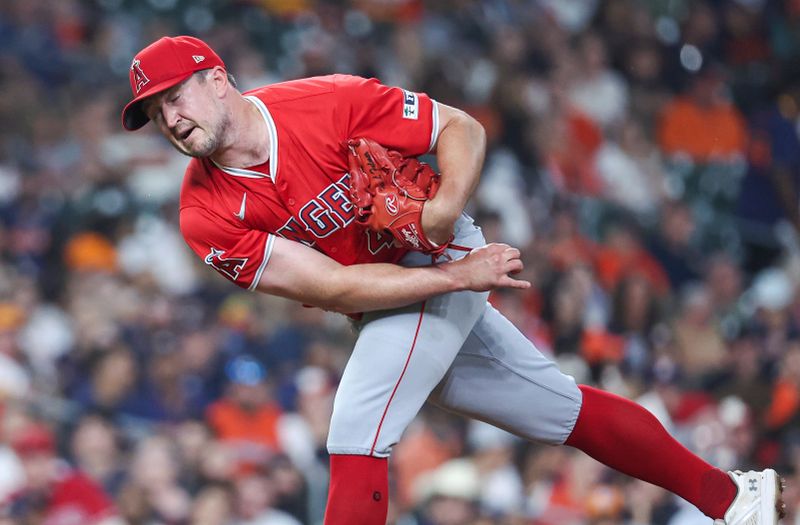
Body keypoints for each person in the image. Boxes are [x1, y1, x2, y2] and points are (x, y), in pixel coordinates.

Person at [121, 35, 783, 525]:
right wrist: (458, 279)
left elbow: (457, 126)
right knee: (560, 409)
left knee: (356, 425)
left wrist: (441, 210)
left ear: (216, 78)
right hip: (398, 288)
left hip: (431, 250)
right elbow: (331, 288)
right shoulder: (202, 212)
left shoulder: (325, 103)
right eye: (154, 113)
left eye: (174, 97)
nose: (170, 120)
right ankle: (734, 498)